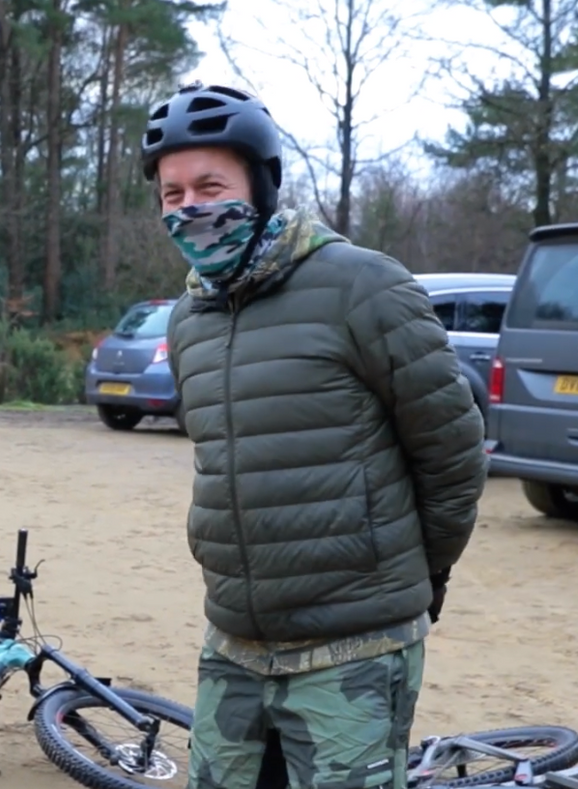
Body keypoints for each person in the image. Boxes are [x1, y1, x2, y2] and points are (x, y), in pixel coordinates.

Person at [141, 82, 488, 789]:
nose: (191, 208)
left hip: (354, 646)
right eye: (173, 195)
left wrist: (419, 581)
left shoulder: (363, 286)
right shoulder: (189, 320)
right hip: (234, 640)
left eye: (210, 185)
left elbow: (450, 453)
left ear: (263, 185)